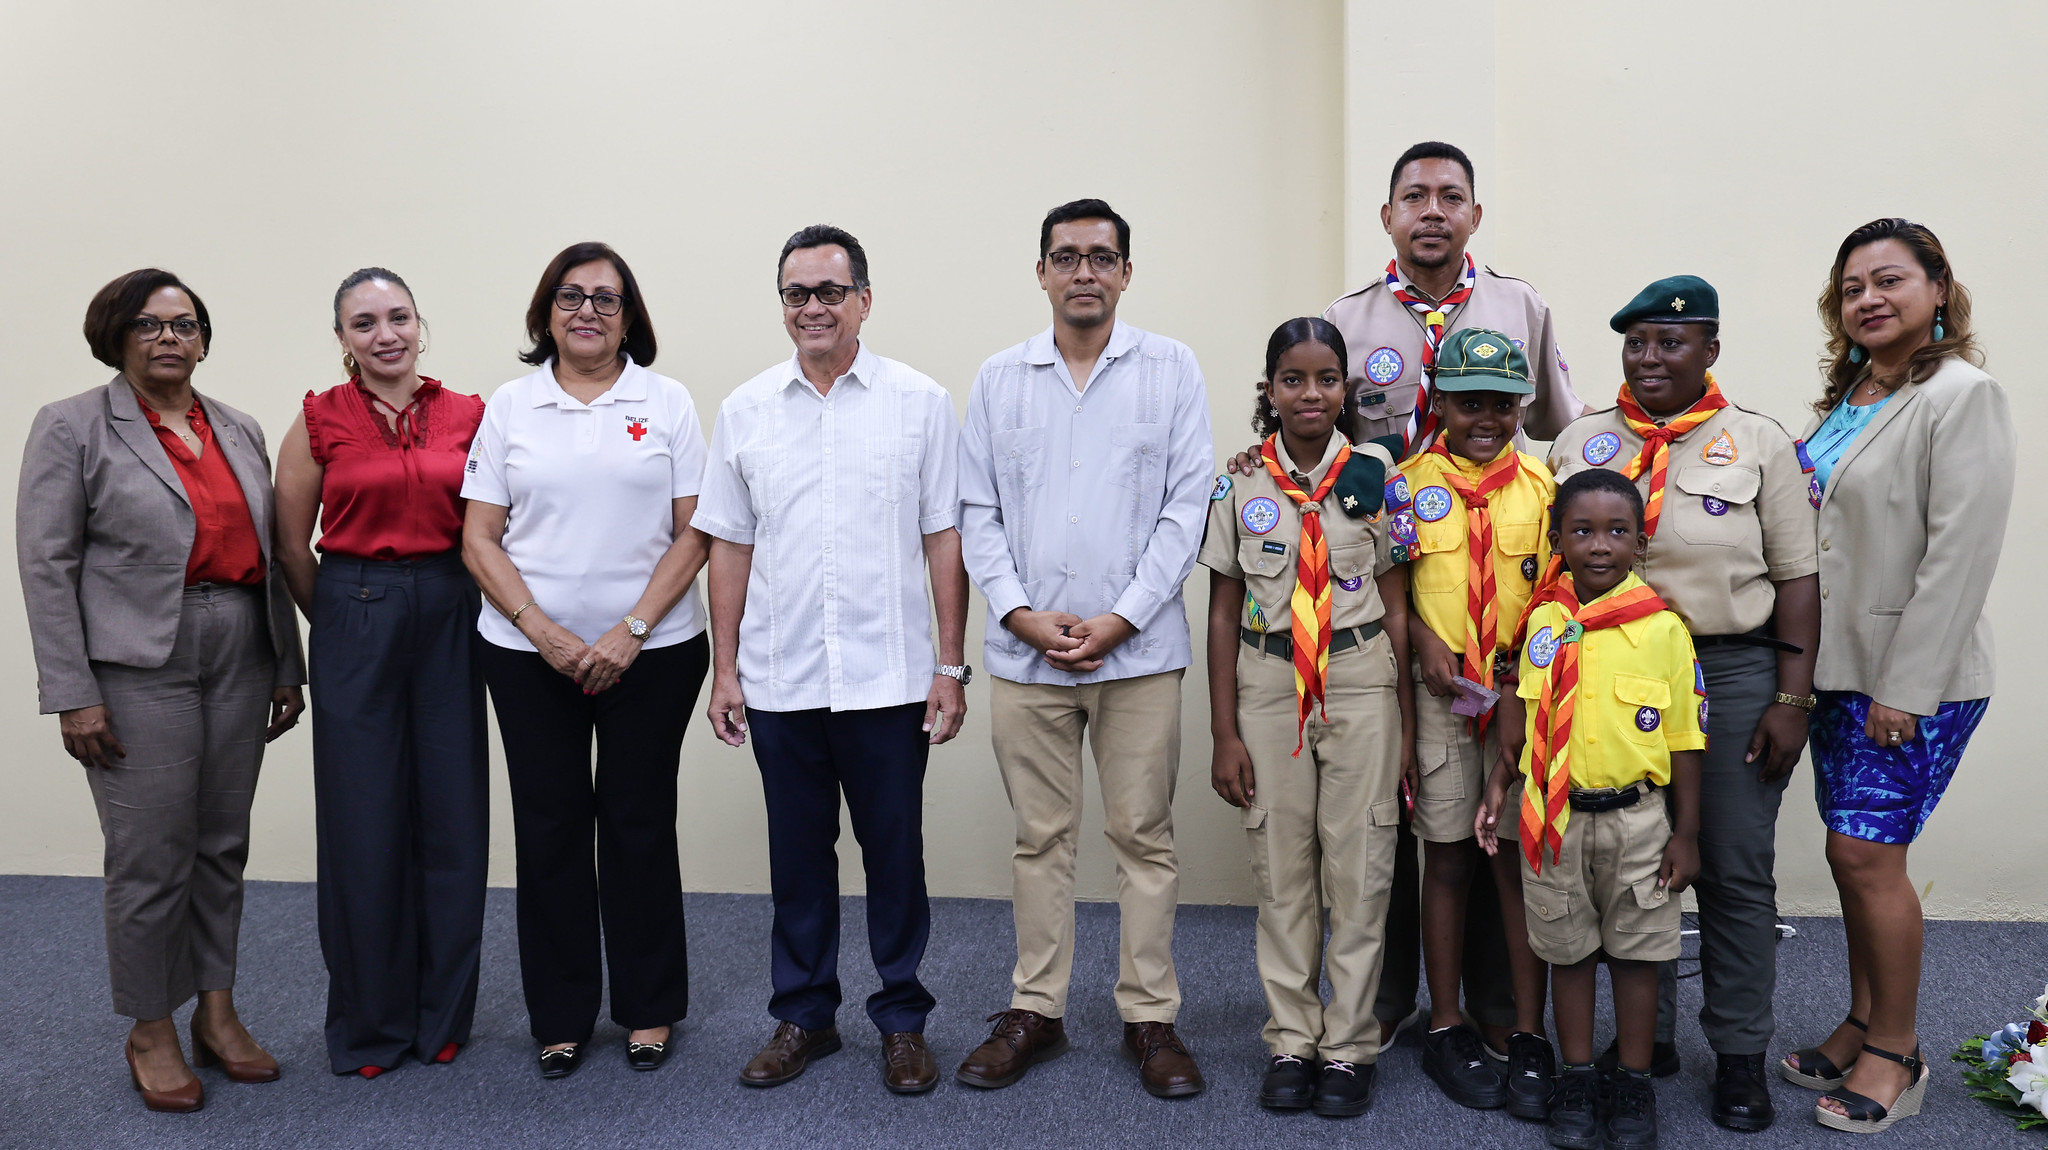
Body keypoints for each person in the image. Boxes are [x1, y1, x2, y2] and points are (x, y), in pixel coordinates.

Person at [1236, 140, 1585, 1065]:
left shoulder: (1521, 307)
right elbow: (1314, 437)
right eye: (1415, 196)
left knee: (1485, 831)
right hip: (1393, 589)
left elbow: (1564, 425)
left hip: (1495, 592)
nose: (1433, 211)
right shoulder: (1346, 318)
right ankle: (1387, 1000)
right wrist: (1253, 461)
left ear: (1475, 214)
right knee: (1393, 829)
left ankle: (1495, 1004)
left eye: (1451, 196)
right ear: (1387, 215)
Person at [18, 269, 306, 1112]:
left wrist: (286, 663)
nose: (169, 337)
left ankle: (217, 1012)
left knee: (222, 843)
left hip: (240, 647)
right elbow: (47, 564)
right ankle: (151, 1027)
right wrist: (72, 691)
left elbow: (273, 555)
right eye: (148, 324)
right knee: (150, 855)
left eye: (184, 324)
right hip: (138, 662)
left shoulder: (240, 427)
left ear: (204, 340)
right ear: (116, 337)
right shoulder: (71, 425)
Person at [696, 224, 966, 1096]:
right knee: (798, 861)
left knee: (894, 858)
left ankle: (902, 1021)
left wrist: (950, 666)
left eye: (829, 291)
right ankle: (804, 1015)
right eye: (796, 293)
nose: (812, 307)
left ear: (864, 301)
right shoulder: (746, 410)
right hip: (782, 679)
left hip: (889, 680)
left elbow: (944, 537)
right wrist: (726, 670)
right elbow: (729, 545)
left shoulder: (919, 402)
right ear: (783, 305)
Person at [1546, 275, 1821, 1131]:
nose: (1651, 357)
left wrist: (1793, 696)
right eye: (1637, 343)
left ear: (1710, 349)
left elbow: (1798, 576)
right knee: (1634, 856)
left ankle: (1738, 1055)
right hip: (1606, 672)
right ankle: (1648, 1043)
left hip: (1728, 672)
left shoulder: (1760, 443)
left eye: (1671, 342)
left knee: (1731, 866)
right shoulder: (1581, 440)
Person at [955, 198, 1215, 1099]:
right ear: (1041, 273)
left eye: (1102, 257)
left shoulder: (1171, 370)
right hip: (1027, 654)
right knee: (1041, 838)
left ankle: (1150, 1018)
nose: (1084, 273)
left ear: (1126, 273)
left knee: (1144, 836)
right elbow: (977, 511)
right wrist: (1020, 613)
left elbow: (1187, 506)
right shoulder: (1000, 379)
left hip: (1138, 654)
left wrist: (1124, 617)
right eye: (1066, 257)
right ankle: (1037, 1009)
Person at [1782, 219, 2011, 1135]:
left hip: (1914, 680)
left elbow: (1960, 554)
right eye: (1852, 288)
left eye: (1889, 280)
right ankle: (1861, 1019)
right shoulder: (1853, 397)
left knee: (1865, 857)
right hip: (1840, 669)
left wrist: (1906, 690)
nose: (1868, 299)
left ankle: (1897, 1052)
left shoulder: (1963, 396)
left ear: (1938, 288)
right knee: (1853, 855)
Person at [461, 242, 711, 1078]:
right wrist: (545, 632)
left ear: (629, 316)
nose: (588, 312)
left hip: (654, 652)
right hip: (528, 655)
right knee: (550, 827)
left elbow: (695, 532)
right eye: (571, 297)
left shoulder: (667, 401)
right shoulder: (512, 406)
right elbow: (479, 538)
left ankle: (648, 1007)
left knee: (639, 823)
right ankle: (561, 1014)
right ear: (547, 313)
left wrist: (629, 631)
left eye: (606, 298)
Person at [273, 267, 489, 1078]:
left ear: (419, 325)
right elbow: (291, 547)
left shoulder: (469, 414)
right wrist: (340, 620)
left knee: (453, 818)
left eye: (398, 317)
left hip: (451, 607)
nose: (385, 334)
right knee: (363, 825)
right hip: (353, 608)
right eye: (364, 323)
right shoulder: (318, 419)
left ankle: (441, 1016)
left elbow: (492, 526)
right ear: (342, 339)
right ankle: (371, 1025)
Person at [1202, 318, 1413, 1118]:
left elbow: (1397, 604)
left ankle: (1349, 1047)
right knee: (1281, 869)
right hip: (1269, 680)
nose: (1311, 394)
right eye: (1293, 379)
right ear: (1271, 390)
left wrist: (1405, 726)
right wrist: (1224, 731)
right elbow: (1222, 612)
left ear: (1345, 389)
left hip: (1359, 679)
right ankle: (1292, 1039)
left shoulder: (1378, 475)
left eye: (1327, 379)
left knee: (1360, 870)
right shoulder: (1240, 483)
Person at [1476, 467, 1703, 1150]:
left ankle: (1632, 1081)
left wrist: (1687, 833)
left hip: (1639, 821)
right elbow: (1529, 720)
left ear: (1640, 542)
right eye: (1582, 531)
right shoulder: (1544, 623)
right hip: (1556, 817)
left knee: (1637, 956)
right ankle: (1575, 1076)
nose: (1599, 545)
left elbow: (1685, 739)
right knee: (1566, 951)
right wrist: (1500, 783)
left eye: (1616, 532)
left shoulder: (1664, 629)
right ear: (1558, 542)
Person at [1389, 329, 1556, 1118]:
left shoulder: (1545, 488)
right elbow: (1391, 587)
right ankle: (1446, 1021)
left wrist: (1522, 685)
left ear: (1521, 406)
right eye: (1468, 403)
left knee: (1517, 865)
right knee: (1448, 857)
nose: (1485, 418)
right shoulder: (1404, 486)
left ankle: (1527, 1029)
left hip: (1523, 697)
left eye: (1500, 404)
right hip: (1443, 699)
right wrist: (1425, 638)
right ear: (1441, 404)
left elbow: (1559, 592)